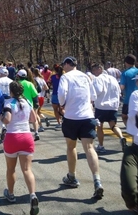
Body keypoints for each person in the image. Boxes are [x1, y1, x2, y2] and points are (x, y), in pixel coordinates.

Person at [58, 56, 104, 200]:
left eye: (63, 65)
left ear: (67, 65)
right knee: (89, 148)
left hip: (71, 117)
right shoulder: (86, 77)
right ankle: (97, 181)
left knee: (71, 147)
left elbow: (61, 95)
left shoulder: (66, 77)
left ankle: (72, 176)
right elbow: (94, 96)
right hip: (87, 116)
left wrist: (63, 104)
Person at [1, 81, 39, 215]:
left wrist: (2, 118)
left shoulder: (9, 102)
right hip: (27, 137)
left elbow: (7, 119)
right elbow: (33, 119)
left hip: (12, 137)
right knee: (27, 169)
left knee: (11, 168)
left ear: (11, 91)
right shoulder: (27, 102)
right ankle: (33, 195)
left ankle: (10, 194)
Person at [91, 63, 127, 152]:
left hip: (101, 106)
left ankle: (101, 146)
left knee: (99, 126)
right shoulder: (113, 79)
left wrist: (92, 98)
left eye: (95, 70)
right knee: (113, 125)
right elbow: (119, 91)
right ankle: (121, 137)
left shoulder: (98, 79)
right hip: (113, 106)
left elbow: (97, 91)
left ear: (100, 69)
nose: (94, 72)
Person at [16, 69, 40, 141]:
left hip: (19, 105)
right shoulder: (30, 84)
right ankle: (36, 132)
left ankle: (26, 134)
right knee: (34, 119)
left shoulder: (16, 84)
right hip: (29, 105)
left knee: (23, 121)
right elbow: (35, 95)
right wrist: (36, 103)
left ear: (18, 76)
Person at [120, 54, 138, 126]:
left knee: (124, 116)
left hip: (128, 99)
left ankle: (130, 129)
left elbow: (122, 87)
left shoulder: (125, 73)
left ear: (126, 63)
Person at [0, 67, 13, 141]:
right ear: (7, 74)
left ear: (1, 73)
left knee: (0, 115)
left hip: (1, 99)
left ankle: (3, 127)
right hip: (10, 99)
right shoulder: (11, 81)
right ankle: (8, 130)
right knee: (9, 115)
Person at [51, 64, 64, 128]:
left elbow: (50, 84)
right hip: (62, 94)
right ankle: (65, 120)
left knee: (55, 109)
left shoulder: (53, 77)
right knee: (62, 109)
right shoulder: (64, 77)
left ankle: (59, 123)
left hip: (55, 94)